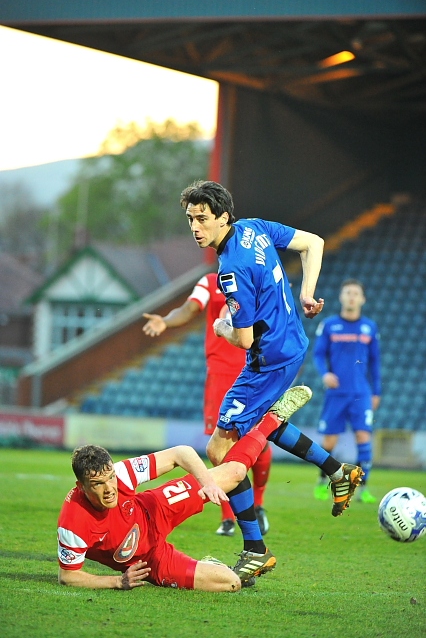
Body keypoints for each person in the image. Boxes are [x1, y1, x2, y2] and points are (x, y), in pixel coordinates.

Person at [179, 180, 364, 580]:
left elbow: (243, 339)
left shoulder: (230, 270)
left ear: (223, 216)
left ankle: (254, 549)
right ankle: (338, 471)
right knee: (267, 423)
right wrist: (307, 294)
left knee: (219, 449)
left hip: (268, 359)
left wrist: (221, 328)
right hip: (292, 340)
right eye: (191, 219)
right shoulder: (255, 228)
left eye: (203, 219)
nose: (196, 227)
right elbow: (314, 243)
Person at [142, 271, 273, 537]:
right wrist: (166, 321)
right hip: (220, 372)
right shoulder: (210, 281)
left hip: (253, 370)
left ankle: (257, 506)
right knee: (220, 446)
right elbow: (191, 307)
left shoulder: (259, 282)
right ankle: (228, 517)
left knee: (259, 442)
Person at [313, 278, 381, 503]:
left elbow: (375, 363)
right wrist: (325, 373)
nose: (351, 296)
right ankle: (323, 482)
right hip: (336, 393)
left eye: (355, 293)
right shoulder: (330, 325)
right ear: (341, 297)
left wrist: (376, 392)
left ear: (362, 299)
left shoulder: (369, 327)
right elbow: (318, 354)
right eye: (348, 293)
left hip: (361, 393)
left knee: (364, 437)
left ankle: (363, 489)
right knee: (329, 442)